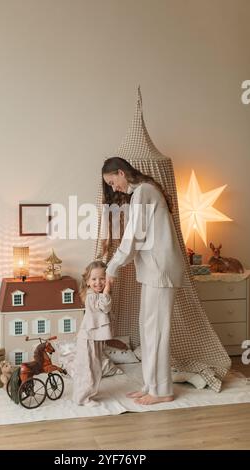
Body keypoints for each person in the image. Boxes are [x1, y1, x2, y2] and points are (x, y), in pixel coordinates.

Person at [102, 157, 185, 405]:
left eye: (112, 181)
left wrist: (112, 267)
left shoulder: (144, 192)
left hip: (161, 271)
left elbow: (133, 237)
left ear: (121, 172)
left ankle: (162, 390)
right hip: (153, 271)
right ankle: (151, 384)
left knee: (157, 331)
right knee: (147, 329)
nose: (113, 187)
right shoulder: (142, 192)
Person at [72, 260, 112, 406]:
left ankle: (86, 393)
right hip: (88, 338)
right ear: (88, 282)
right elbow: (104, 308)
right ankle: (83, 398)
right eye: (94, 279)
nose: (98, 282)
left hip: (93, 338)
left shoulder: (97, 295)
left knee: (94, 366)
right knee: (88, 367)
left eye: (102, 278)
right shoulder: (91, 297)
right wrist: (107, 290)